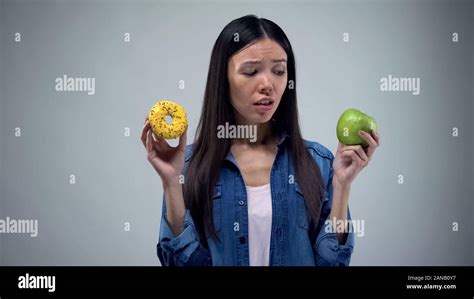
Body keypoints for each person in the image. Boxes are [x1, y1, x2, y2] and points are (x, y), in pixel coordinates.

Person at [140, 14, 380, 266]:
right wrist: (170, 182)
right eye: (251, 71)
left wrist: (342, 186)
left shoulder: (318, 162)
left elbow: (332, 263)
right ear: (223, 78)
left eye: (279, 70)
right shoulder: (188, 165)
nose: (268, 84)